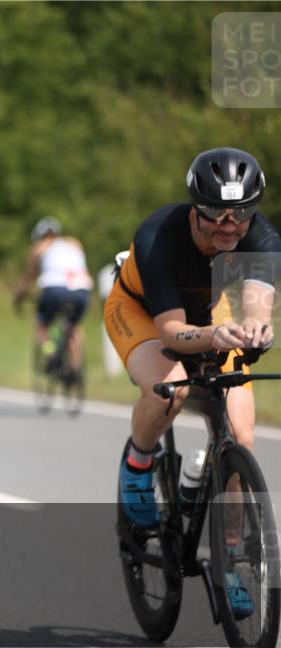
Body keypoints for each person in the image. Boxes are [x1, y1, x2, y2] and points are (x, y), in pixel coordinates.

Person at [104, 147, 279, 619]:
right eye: (216, 217)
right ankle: (138, 465)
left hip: (208, 315)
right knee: (174, 388)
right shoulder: (159, 236)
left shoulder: (261, 238)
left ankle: (232, 560)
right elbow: (171, 333)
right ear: (195, 209)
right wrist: (211, 336)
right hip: (141, 311)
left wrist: (258, 329)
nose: (229, 227)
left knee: (241, 437)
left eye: (239, 217)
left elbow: (258, 307)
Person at [14, 217, 94, 378]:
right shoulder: (74, 243)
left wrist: (19, 297)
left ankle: (51, 356)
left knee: (42, 324)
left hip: (54, 289)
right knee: (73, 327)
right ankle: (75, 368)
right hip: (82, 289)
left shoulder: (40, 247)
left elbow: (28, 278)